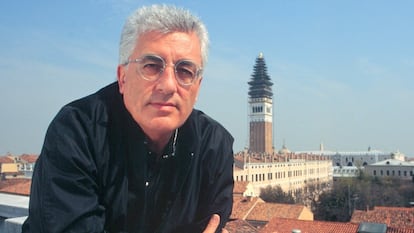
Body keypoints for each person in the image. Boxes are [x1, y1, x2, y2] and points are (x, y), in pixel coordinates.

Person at [22, 4, 234, 233]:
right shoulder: (76, 133)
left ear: (197, 86)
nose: (168, 85)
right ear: (122, 78)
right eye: (152, 66)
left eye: (184, 71)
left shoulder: (214, 146)